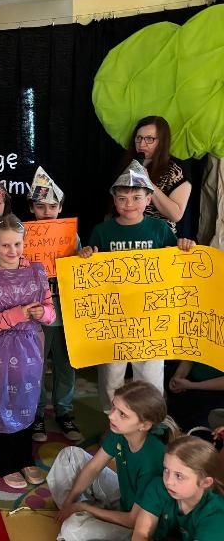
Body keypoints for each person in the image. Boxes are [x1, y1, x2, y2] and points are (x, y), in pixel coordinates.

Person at [81, 160, 196, 412]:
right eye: (122, 198)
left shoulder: (160, 229)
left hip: (150, 317)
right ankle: (113, 420)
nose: (129, 204)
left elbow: (175, 264)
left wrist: (185, 247)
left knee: (150, 375)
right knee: (111, 374)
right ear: (114, 200)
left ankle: (150, 421)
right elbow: (89, 271)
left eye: (136, 197)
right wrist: (85, 255)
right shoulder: (102, 231)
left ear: (149, 199)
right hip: (114, 316)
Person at [0, 214, 55, 489]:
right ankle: (4, 461)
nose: (12, 251)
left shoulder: (37, 272)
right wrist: (17, 314)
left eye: (17, 244)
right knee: (2, 400)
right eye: (5, 245)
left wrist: (43, 313)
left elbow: (51, 312)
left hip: (30, 347)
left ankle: (24, 458)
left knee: (27, 398)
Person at [48, 380, 178, 541]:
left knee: (72, 529)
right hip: (124, 499)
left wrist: (83, 507)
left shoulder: (153, 459)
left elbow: (133, 520)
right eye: (114, 407)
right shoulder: (119, 431)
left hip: (137, 525)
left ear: (144, 425)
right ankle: (80, 514)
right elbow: (94, 467)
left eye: (122, 414)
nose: (111, 416)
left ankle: (86, 516)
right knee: (69, 455)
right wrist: (69, 503)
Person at [26, 167, 82, 444]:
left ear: (60, 208)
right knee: (35, 364)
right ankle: (36, 414)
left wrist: (84, 256)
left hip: (67, 312)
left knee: (66, 364)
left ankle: (64, 410)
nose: (47, 212)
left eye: (52, 206)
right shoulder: (24, 237)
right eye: (40, 206)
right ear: (31, 208)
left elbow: (82, 270)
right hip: (37, 313)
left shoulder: (72, 237)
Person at [133, 435, 224, 541]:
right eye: (166, 469)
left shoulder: (216, 514)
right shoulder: (158, 487)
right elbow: (140, 535)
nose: (168, 481)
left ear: (205, 482)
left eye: (179, 476)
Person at [121, 115, 192, 234]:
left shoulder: (176, 169)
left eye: (149, 139)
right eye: (139, 138)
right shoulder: (128, 163)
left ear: (162, 142)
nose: (142, 144)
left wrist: (147, 182)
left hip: (158, 236)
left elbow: (176, 215)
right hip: (126, 233)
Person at [167, 361, 224, 432]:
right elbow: (190, 358)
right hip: (187, 382)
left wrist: (191, 385)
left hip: (213, 395)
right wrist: (177, 377)